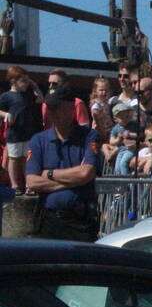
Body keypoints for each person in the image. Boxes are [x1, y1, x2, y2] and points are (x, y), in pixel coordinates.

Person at [25, 84, 101, 241]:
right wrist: (73, 182)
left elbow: (86, 173)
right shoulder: (39, 140)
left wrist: (50, 173)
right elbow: (32, 181)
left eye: (56, 107)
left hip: (81, 222)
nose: (51, 112)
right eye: (49, 107)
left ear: (71, 108)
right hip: (50, 221)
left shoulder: (89, 136)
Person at [0, 71, 43, 194]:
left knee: (26, 159)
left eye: (27, 81)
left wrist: (34, 86)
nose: (26, 84)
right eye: (23, 81)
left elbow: (40, 99)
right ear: (14, 81)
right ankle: (15, 185)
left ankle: (28, 185)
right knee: (13, 159)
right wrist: (6, 114)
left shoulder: (27, 95)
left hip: (28, 132)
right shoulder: (6, 96)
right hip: (14, 132)